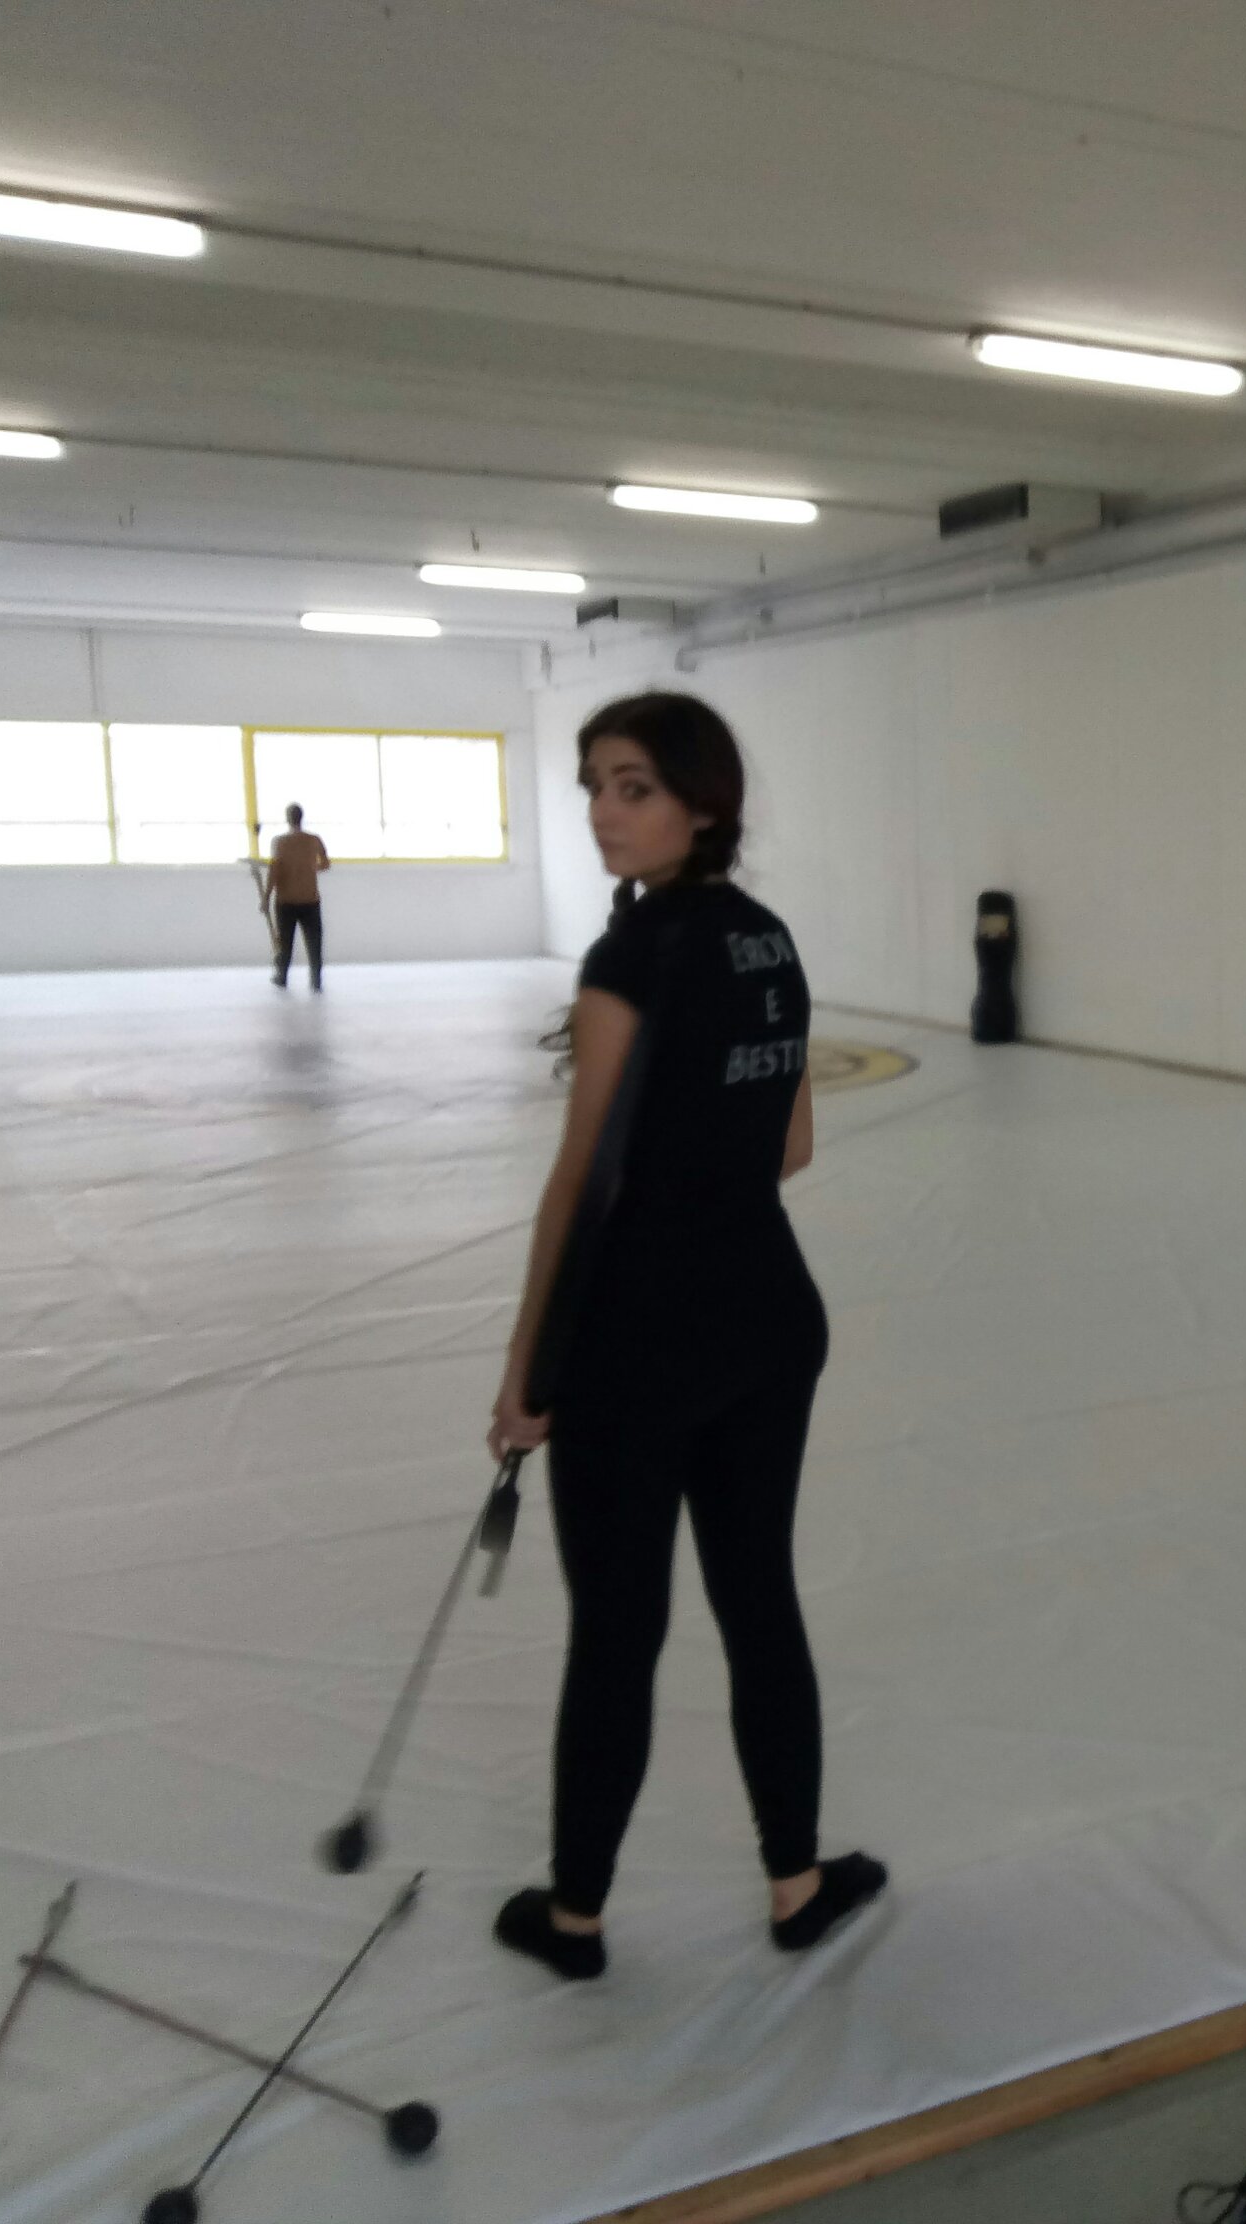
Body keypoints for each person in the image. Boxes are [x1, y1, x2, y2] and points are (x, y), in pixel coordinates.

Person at [485, 691, 884, 1980]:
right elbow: (793, 1142)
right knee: (758, 1598)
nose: (605, 812)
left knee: (618, 1630)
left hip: (638, 1345)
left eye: (634, 786)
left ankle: (576, 1919)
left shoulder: (632, 957)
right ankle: (797, 1884)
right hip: (767, 1318)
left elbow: (584, 1178)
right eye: (595, 787)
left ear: (702, 803)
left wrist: (528, 1373)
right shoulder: (768, 939)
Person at [266, 804, 329, 990]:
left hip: (286, 899)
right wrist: (309, 869)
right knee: (314, 941)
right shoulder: (314, 840)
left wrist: (266, 897)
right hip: (310, 898)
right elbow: (325, 864)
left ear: (287, 818)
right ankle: (316, 980)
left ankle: (282, 976)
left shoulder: (279, 842)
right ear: (302, 817)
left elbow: (274, 870)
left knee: (284, 942)